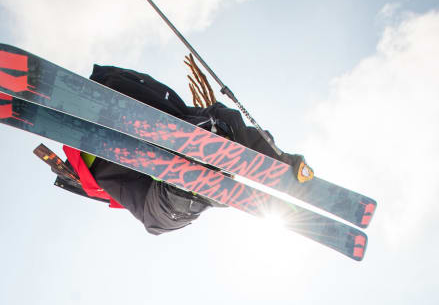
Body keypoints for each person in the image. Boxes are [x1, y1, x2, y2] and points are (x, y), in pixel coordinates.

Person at [55, 57, 308, 236]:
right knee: (163, 212)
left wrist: (282, 161)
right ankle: (197, 169)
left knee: (219, 126)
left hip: (159, 173)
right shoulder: (168, 113)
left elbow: (235, 132)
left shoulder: (184, 119)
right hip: (136, 168)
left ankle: (201, 166)